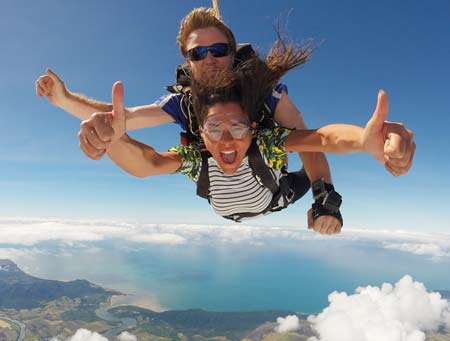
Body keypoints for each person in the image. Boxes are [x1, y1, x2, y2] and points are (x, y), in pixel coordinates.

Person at [36, 8, 342, 234]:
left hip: (275, 193)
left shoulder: (267, 95)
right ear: (188, 62)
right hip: (221, 195)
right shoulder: (183, 103)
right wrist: (66, 101)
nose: (209, 59)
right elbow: (122, 119)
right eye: (198, 53)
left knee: (296, 160)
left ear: (232, 54)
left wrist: (323, 198)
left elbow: (309, 140)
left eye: (219, 50)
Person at [71, 40, 414, 225]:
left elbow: (320, 139)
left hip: (276, 197)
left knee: (308, 173)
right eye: (213, 128)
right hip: (244, 202)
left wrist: (361, 141)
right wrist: (115, 139)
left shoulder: (268, 144)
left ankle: (323, 196)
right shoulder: (196, 157)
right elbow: (148, 162)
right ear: (200, 133)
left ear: (253, 129)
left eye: (236, 127)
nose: (225, 140)